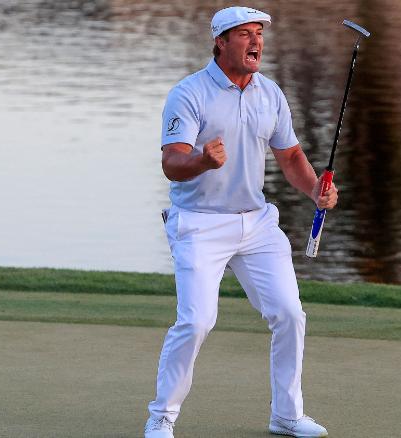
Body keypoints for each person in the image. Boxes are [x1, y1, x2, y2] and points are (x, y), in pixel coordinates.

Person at [144, 6, 335, 438]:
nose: (255, 42)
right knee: (196, 321)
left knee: (289, 313)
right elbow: (172, 163)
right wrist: (201, 161)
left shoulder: (270, 93)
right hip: (199, 223)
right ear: (220, 41)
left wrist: (315, 190)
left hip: (257, 224)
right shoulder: (188, 93)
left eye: (259, 34)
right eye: (245, 34)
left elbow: (291, 157)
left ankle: (286, 415)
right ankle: (161, 417)